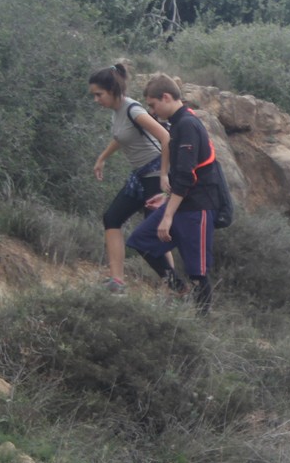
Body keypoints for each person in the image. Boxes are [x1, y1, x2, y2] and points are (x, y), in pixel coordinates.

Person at [124, 75, 216, 312]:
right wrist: (166, 196)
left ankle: (200, 321)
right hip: (179, 202)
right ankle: (178, 287)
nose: (152, 112)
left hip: (196, 207)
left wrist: (167, 216)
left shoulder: (187, 124)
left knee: (198, 273)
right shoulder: (177, 123)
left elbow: (187, 176)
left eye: (153, 105)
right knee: (140, 240)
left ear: (166, 97)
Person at [88, 62, 172, 295]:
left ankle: (173, 286)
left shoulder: (133, 109)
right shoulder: (117, 112)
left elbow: (166, 137)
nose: (96, 100)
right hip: (140, 175)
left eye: (99, 94)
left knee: (155, 232)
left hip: (155, 175)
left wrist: (165, 174)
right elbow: (122, 136)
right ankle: (117, 280)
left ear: (112, 90)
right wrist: (102, 158)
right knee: (112, 218)